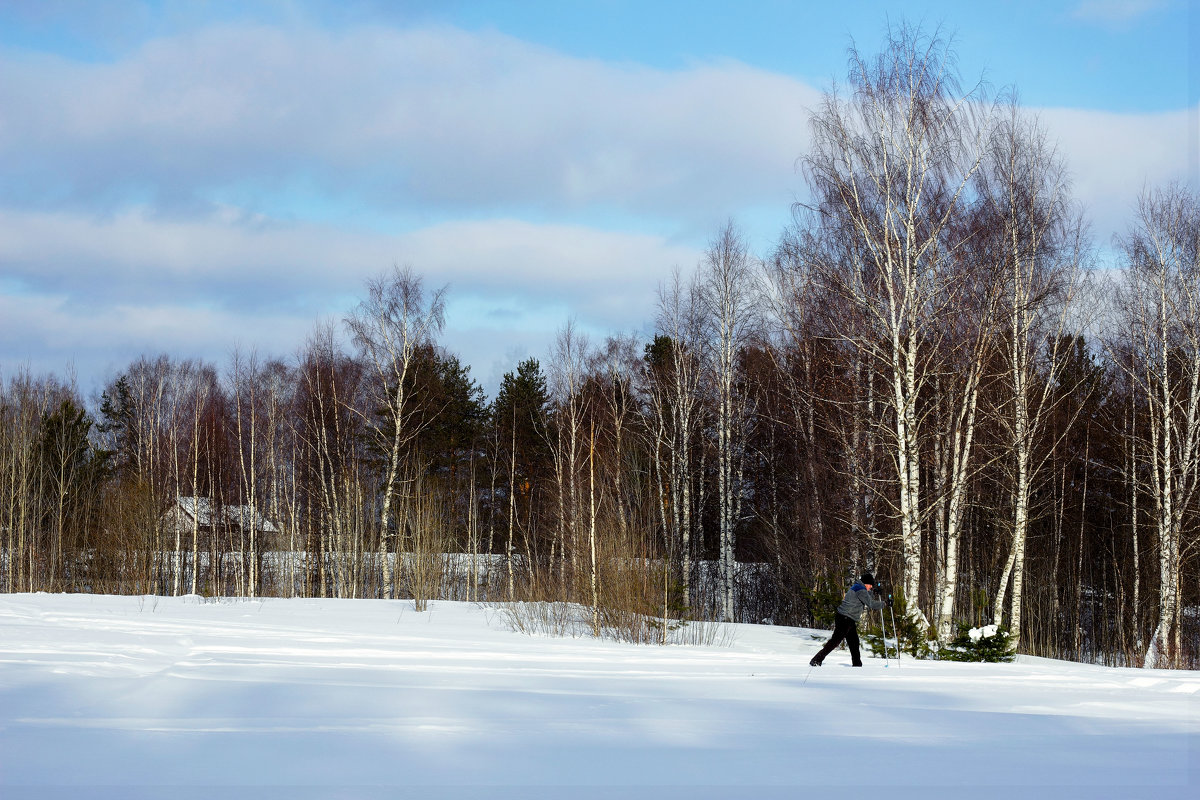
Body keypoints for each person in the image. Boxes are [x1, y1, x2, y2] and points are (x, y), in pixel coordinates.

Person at [809, 572, 889, 667]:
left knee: (854, 643)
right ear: (866, 583)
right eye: (870, 585)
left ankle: (857, 665)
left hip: (847, 619)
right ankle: (816, 660)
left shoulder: (858, 586)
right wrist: (885, 604)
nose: (871, 587)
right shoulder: (861, 590)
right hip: (845, 618)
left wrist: (873, 592)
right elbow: (871, 604)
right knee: (835, 641)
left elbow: (867, 597)